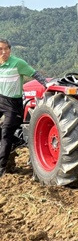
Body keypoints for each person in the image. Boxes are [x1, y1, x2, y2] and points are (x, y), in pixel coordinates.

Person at [0, 38, 47, 177]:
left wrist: (47, 85)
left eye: (6, 49)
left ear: (10, 50)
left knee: (6, 134)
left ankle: (1, 168)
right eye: (0, 49)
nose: (3, 52)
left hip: (13, 104)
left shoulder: (18, 63)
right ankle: (17, 141)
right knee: (5, 135)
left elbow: (35, 74)